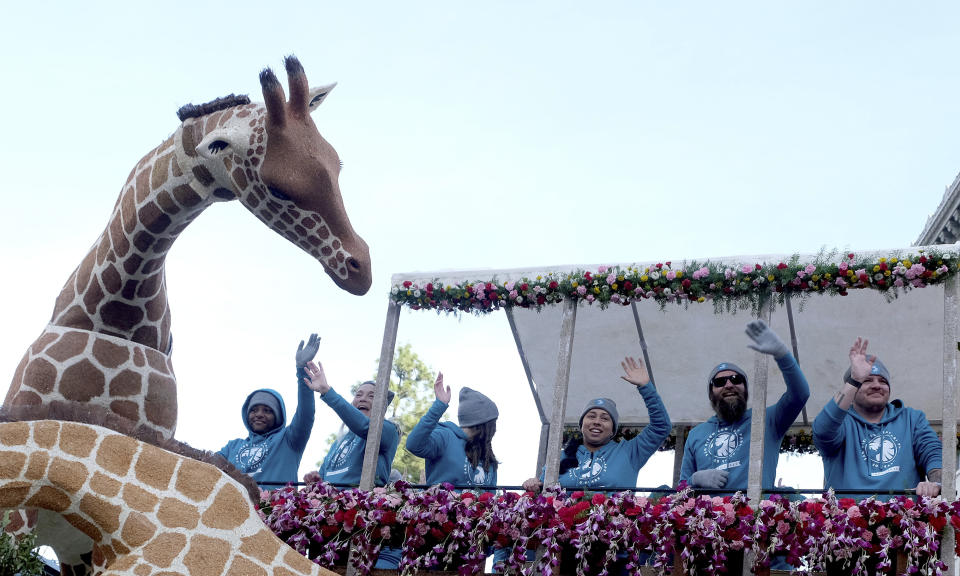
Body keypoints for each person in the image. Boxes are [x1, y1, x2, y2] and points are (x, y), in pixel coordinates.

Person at [680, 320, 810, 494]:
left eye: (736, 380)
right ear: (711, 394)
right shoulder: (696, 434)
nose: (728, 385)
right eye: (719, 382)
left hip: (755, 517)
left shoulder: (766, 420)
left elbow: (800, 394)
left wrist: (782, 354)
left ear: (746, 390)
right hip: (708, 519)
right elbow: (680, 491)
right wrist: (694, 480)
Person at [813, 337, 942, 499]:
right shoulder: (841, 422)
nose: (876, 385)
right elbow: (822, 432)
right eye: (867, 381)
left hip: (906, 521)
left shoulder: (912, 419)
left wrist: (937, 483)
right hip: (845, 521)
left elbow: (933, 454)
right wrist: (855, 379)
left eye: (883, 381)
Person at [522, 354, 671, 491]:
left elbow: (661, 427)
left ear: (613, 430)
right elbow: (542, 490)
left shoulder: (630, 452)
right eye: (591, 416)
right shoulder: (559, 458)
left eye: (605, 418)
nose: (597, 422)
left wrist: (646, 388)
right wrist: (533, 484)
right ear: (582, 425)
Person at [217, 333, 322, 488]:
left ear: (278, 416)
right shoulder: (232, 447)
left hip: (274, 511)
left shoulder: (289, 439)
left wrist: (302, 370)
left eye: (267, 410)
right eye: (254, 410)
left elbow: (306, 413)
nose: (259, 414)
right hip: (232, 511)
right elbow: (206, 467)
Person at [302, 365, 400, 488]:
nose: (363, 399)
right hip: (330, 505)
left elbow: (365, 427)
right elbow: (323, 478)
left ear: (383, 407)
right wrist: (316, 480)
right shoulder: (339, 441)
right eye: (358, 395)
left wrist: (327, 391)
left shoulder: (389, 430)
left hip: (363, 504)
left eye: (372, 396)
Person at [406, 372, 499, 487]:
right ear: (482, 424)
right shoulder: (445, 436)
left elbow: (491, 497)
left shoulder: (488, 454)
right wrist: (439, 406)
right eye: (492, 423)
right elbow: (413, 445)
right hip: (439, 504)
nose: (495, 428)